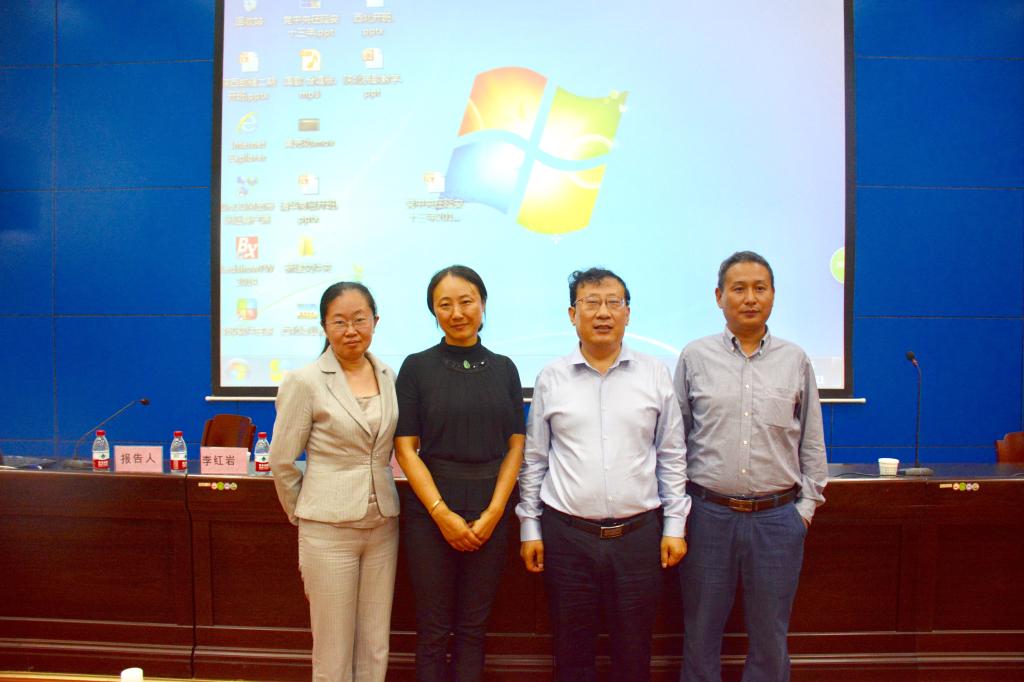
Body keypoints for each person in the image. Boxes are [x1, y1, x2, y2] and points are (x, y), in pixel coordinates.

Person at [517, 267, 690, 682]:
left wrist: (675, 526)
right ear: (572, 314)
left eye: (614, 302)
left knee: (634, 654)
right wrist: (529, 528)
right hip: (567, 537)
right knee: (571, 654)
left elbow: (671, 454)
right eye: (591, 303)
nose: (603, 312)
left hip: (638, 537)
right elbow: (535, 459)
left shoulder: (654, 374)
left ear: (628, 313)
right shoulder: (551, 377)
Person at [673, 251, 829, 682]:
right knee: (700, 632)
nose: (750, 298)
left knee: (770, 636)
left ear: (773, 295)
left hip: (777, 520)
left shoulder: (795, 360)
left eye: (760, 288)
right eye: (738, 288)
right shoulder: (694, 357)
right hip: (707, 516)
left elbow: (812, 442)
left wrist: (804, 511)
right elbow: (674, 441)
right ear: (719, 296)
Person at [394, 265, 526, 682]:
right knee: (433, 628)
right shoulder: (416, 367)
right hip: (430, 510)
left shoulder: (505, 368)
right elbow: (405, 447)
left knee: (474, 627)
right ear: (433, 312)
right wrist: (441, 513)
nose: (457, 313)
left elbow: (516, 445)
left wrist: (494, 512)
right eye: (444, 304)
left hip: (491, 508)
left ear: (482, 304)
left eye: (466, 301)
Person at [269, 281, 400, 682]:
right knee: (333, 647)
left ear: (375, 321)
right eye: (339, 321)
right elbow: (282, 461)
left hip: (382, 525)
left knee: (375, 642)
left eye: (360, 319)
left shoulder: (388, 375)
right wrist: (304, 513)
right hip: (327, 530)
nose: (351, 330)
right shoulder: (305, 381)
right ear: (324, 326)